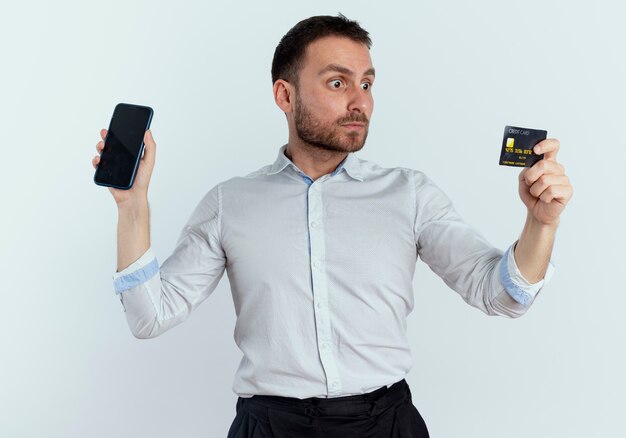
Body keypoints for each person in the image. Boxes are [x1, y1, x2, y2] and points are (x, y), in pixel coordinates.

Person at [91, 14, 573, 438]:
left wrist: (541, 222)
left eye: (367, 83)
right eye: (338, 83)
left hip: (387, 424)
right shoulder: (229, 203)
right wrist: (132, 205)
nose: (359, 101)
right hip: (269, 426)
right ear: (285, 94)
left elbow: (504, 296)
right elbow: (149, 317)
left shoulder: (409, 193)